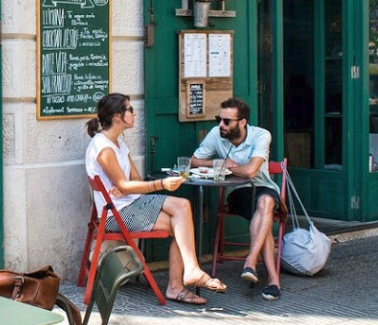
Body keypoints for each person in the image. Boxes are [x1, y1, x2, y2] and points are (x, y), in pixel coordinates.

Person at [85, 93, 218, 306]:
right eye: (129, 109)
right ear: (117, 116)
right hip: (116, 214)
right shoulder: (104, 148)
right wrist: (160, 184)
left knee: (183, 206)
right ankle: (178, 284)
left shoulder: (118, 143)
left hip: (130, 203)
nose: (134, 113)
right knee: (181, 226)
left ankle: (191, 269)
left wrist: (127, 187)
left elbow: (135, 180)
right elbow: (127, 184)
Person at [188, 98, 284, 300]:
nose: (220, 125)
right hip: (237, 192)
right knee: (263, 215)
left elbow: (250, 171)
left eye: (226, 121)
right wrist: (218, 162)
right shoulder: (217, 134)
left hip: (263, 187)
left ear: (242, 122)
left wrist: (228, 167)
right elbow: (193, 162)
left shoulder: (261, 135)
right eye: (219, 119)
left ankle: (251, 261)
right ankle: (272, 280)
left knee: (265, 203)